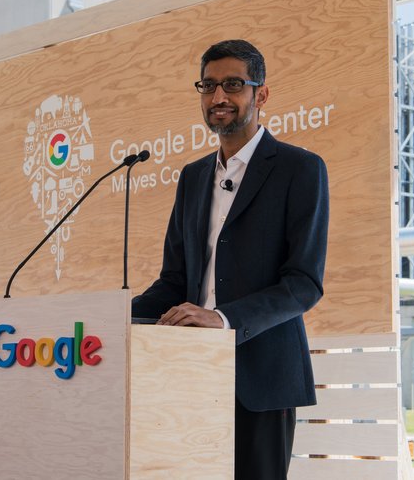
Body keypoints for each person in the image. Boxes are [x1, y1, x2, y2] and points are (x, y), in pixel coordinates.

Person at [132, 39, 329, 479]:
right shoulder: (192, 176)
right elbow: (175, 280)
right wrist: (111, 320)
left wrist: (220, 319)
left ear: (260, 95)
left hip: (262, 379)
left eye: (233, 85)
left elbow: (303, 283)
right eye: (209, 86)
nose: (218, 97)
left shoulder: (301, 169)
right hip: (187, 375)